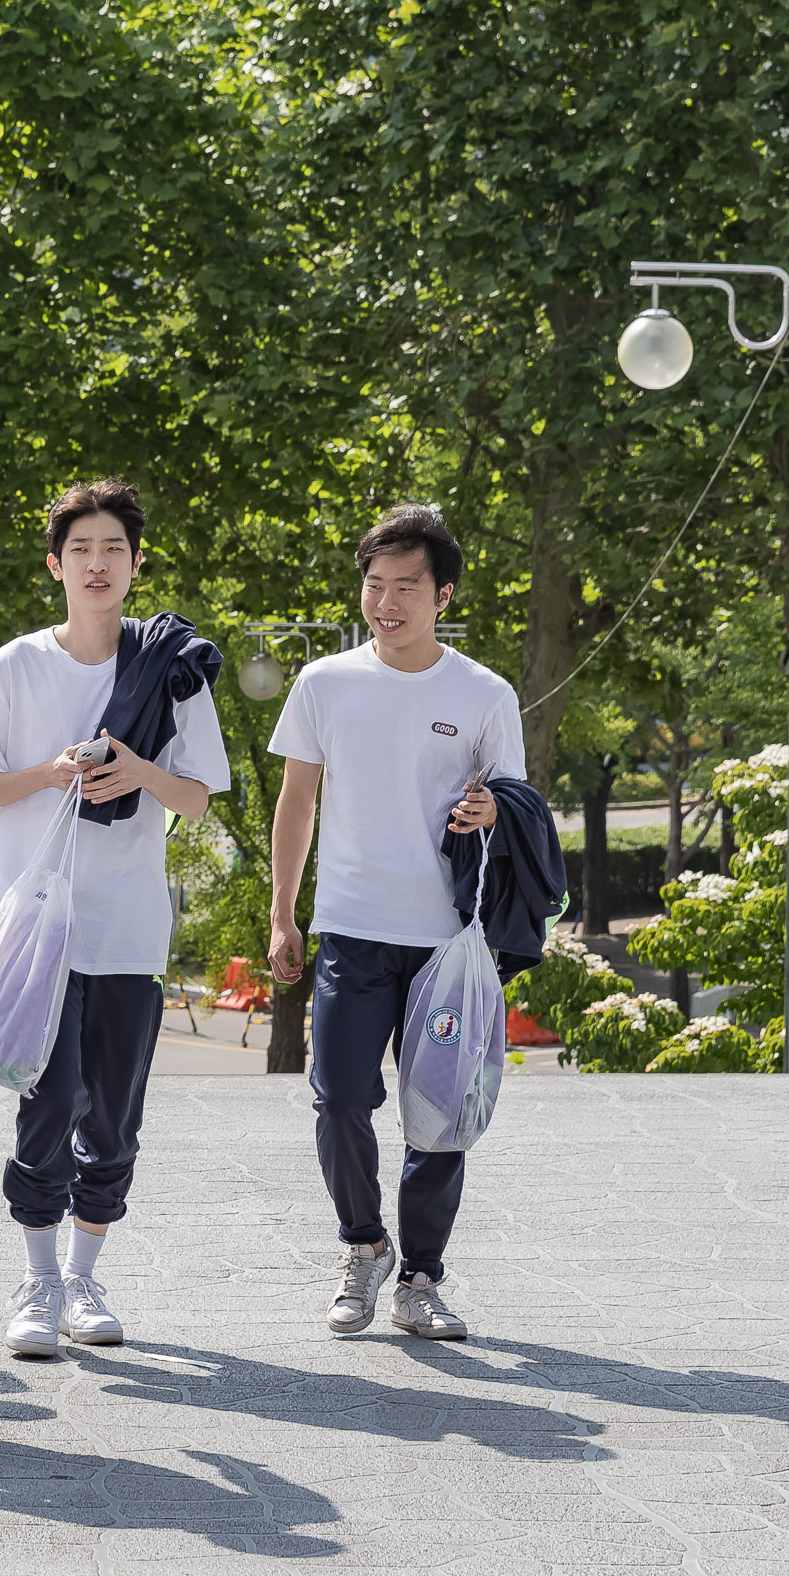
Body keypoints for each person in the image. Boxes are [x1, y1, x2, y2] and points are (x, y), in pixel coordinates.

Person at [0, 480, 229, 1357]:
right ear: (56, 564)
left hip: (127, 927)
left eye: (113, 548)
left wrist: (134, 767)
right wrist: (52, 771)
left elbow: (196, 800)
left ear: (135, 562)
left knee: (113, 1114)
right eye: (81, 548)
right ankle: (38, 1281)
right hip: (37, 932)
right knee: (43, 1107)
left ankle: (84, 1276)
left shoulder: (171, 667)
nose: (97, 563)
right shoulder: (15, 665)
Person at [266, 503, 523, 1341]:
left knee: (439, 1114)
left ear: (442, 594)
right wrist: (283, 914)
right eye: (375, 584)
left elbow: (515, 809)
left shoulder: (484, 693)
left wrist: (492, 809)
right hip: (349, 926)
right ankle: (364, 1243)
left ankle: (420, 1276)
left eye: (407, 586)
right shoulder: (324, 683)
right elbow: (296, 801)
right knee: (340, 1098)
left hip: (447, 940)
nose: (387, 601)